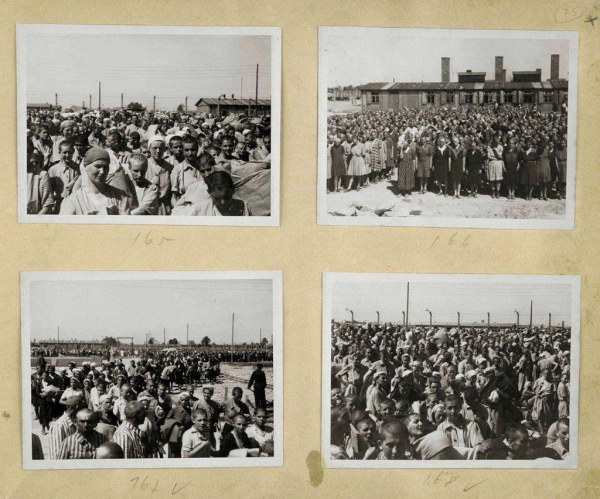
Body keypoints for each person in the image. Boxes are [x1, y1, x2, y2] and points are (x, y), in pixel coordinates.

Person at [60, 148, 132, 215]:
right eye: (98, 166)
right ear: (85, 166)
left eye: (106, 167)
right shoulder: (72, 201)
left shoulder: (119, 196)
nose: (102, 171)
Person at [185, 171, 252, 216]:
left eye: (227, 197)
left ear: (233, 191)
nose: (223, 202)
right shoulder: (198, 210)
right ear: (209, 192)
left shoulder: (242, 207)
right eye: (217, 198)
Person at [397, 133, 416, 197]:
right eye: (403, 143)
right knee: (401, 177)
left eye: (405, 144)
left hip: (409, 165)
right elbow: (400, 157)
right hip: (402, 164)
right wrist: (401, 149)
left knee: (408, 177)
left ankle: (407, 191)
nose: (404, 145)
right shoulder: (401, 150)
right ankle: (402, 191)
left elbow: (413, 157)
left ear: (407, 144)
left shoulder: (411, 149)